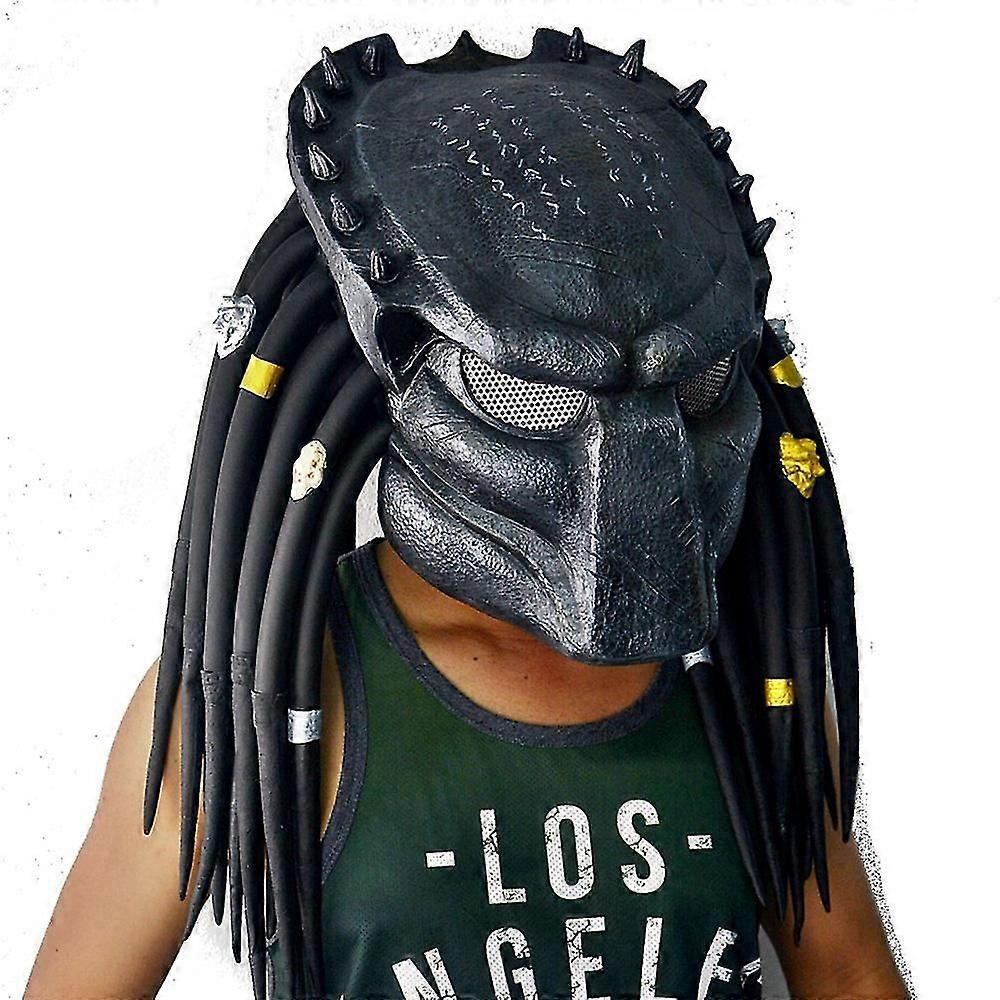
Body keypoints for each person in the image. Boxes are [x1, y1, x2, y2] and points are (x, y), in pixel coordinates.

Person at [25, 27, 909, 1000]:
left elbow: (850, 979)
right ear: (395, 348)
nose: (632, 479)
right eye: (535, 394)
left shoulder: (752, 679)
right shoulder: (244, 703)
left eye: (692, 387)